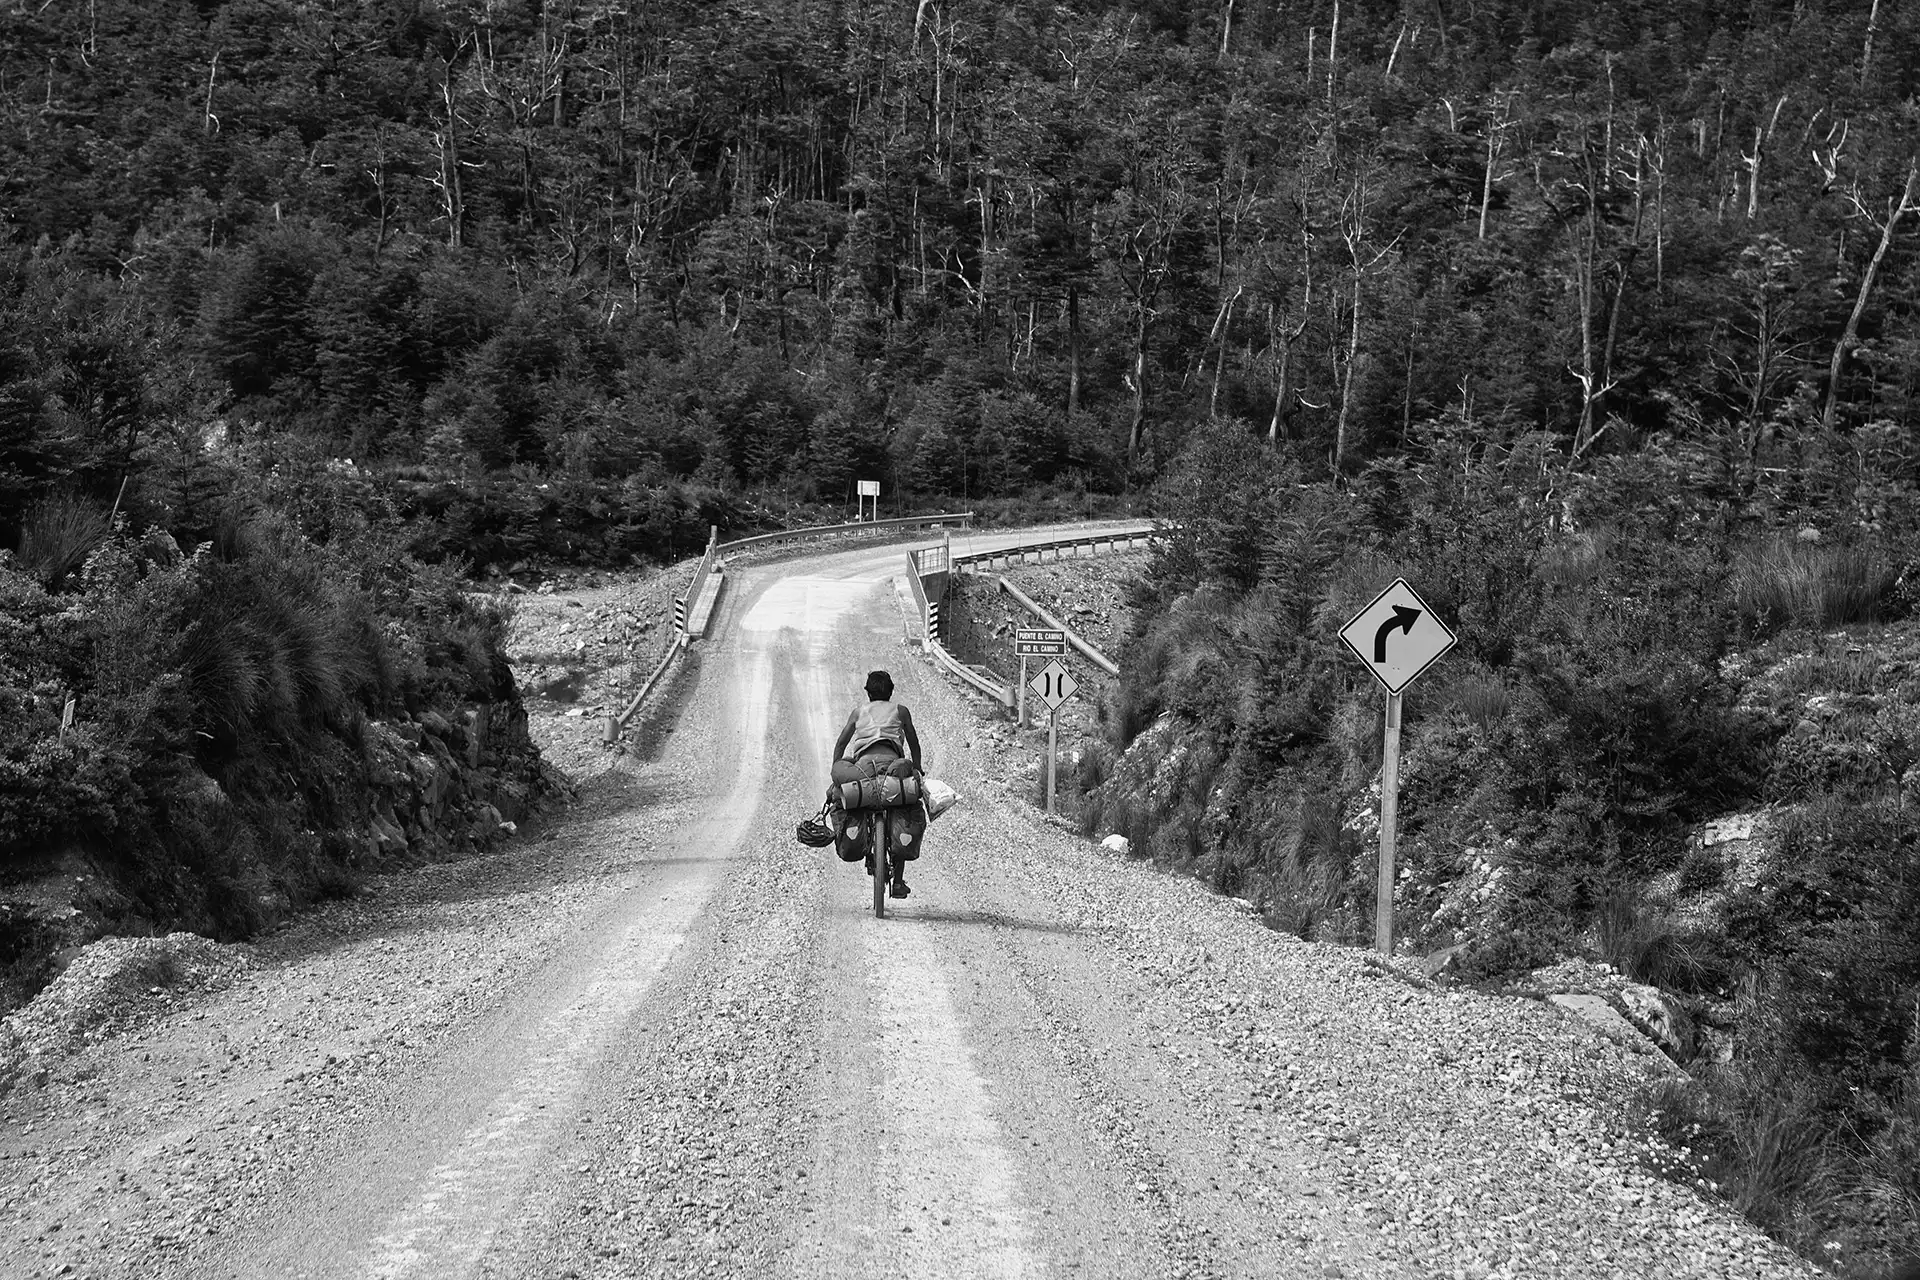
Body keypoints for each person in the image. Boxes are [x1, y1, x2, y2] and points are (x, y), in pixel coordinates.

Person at [830, 670, 924, 897]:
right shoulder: (901, 711)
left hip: (863, 769)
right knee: (904, 808)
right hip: (893, 766)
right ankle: (899, 881)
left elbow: (841, 743)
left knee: (854, 797)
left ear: (868, 692)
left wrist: (837, 774)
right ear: (891, 691)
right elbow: (913, 741)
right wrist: (918, 767)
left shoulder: (858, 712)